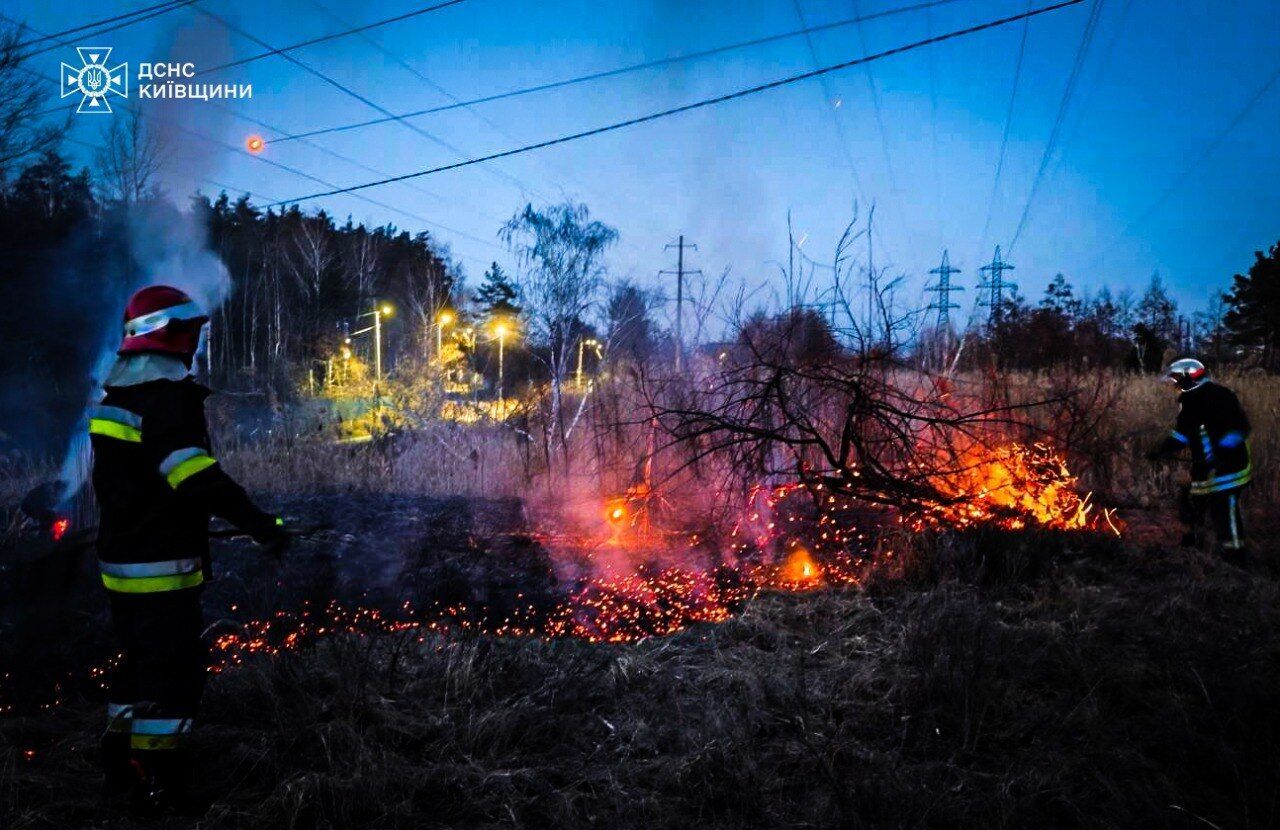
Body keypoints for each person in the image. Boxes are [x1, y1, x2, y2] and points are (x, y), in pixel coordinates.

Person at [89, 285, 289, 812]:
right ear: (170, 334)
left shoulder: (117, 399)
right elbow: (195, 478)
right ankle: (164, 785)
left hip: (121, 564)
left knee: (134, 666)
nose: (196, 342)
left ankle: (118, 767)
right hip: (160, 567)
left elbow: (133, 486)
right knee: (174, 676)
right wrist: (260, 524)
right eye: (192, 332)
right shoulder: (166, 401)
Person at [1146, 358, 1252, 564]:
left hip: (1230, 468)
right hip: (1205, 467)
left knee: (1223, 509)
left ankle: (1236, 559)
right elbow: (1182, 435)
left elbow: (1240, 429)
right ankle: (1192, 546)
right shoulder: (1189, 402)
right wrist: (1162, 451)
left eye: (1177, 378)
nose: (1174, 384)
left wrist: (1222, 454)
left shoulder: (1220, 396)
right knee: (1193, 501)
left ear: (1190, 377)